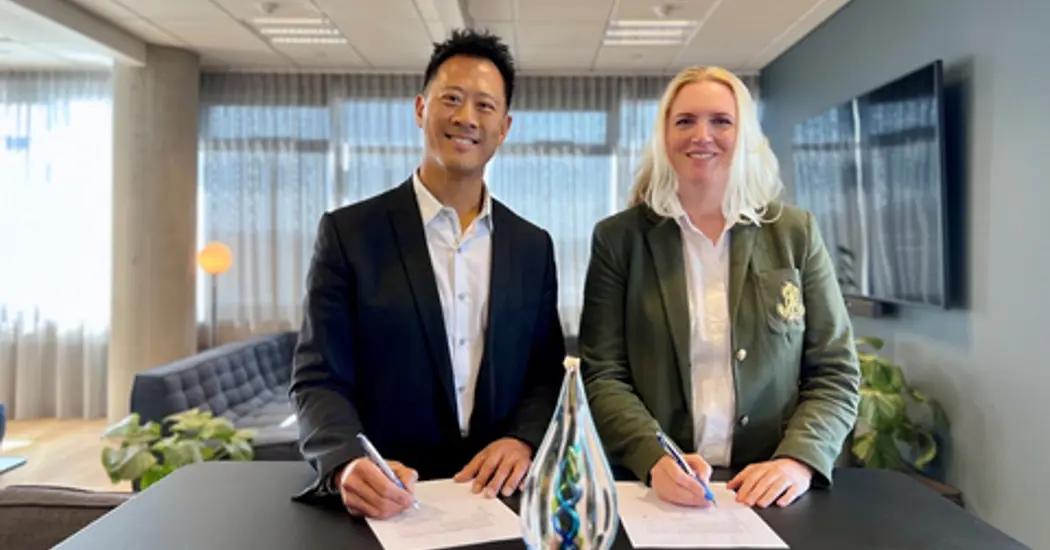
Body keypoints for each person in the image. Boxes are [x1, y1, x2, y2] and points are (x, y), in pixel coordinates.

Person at [289, 29, 566, 520]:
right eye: (451, 99)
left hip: (497, 496)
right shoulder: (350, 233)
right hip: (385, 497)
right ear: (421, 109)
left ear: (504, 127)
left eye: (484, 106)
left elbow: (545, 374)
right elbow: (318, 378)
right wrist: (346, 462)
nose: (466, 118)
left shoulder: (532, 246)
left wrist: (522, 439)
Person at [578, 66, 860, 510]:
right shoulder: (619, 239)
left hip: (769, 491)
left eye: (721, 121)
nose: (702, 135)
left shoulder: (794, 233)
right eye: (685, 121)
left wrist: (797, 461)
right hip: (654, 488)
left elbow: (835, 371)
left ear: (744, 134)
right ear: (664, 135)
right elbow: (604, 373)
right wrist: (654, 457)